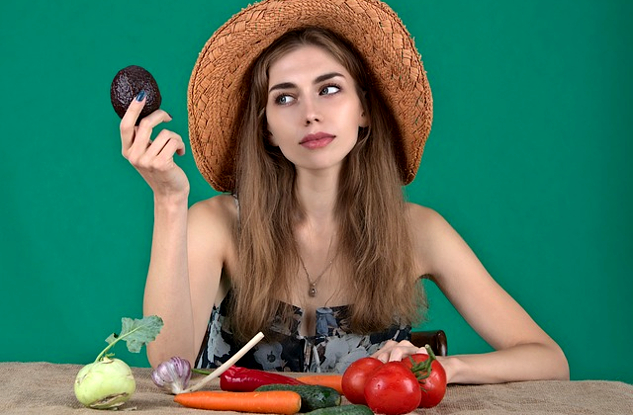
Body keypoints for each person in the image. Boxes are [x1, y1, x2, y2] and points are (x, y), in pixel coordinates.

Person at [119, 0, 569, 383]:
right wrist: (169, 200)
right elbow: (170, 369)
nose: (310, 114)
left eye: (329, 89)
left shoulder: (420, 231)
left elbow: (549, 360)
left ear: (364, 111)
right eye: (285, 97)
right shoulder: (217, 224)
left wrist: (443, 367)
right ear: (268, 130)